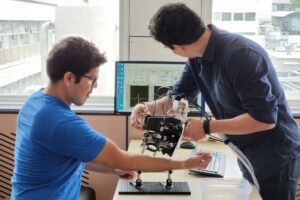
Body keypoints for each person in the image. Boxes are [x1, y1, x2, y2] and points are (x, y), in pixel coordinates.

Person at [130, 3, 300, 200]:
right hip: (246, 151)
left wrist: (206, 126)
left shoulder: (240, 55)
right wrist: (144, 107)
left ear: (178, 47)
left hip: (274, 155)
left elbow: (265, 119)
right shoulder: (196, 57)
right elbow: (178, 96)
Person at [11, 36, 212, 200]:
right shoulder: (60, 122)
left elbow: (70, 155)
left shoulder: (36, 101)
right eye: (92, 79)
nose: (95, 86)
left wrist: (113, 168)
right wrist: (186, 164)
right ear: (69, 78)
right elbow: (124, 158)